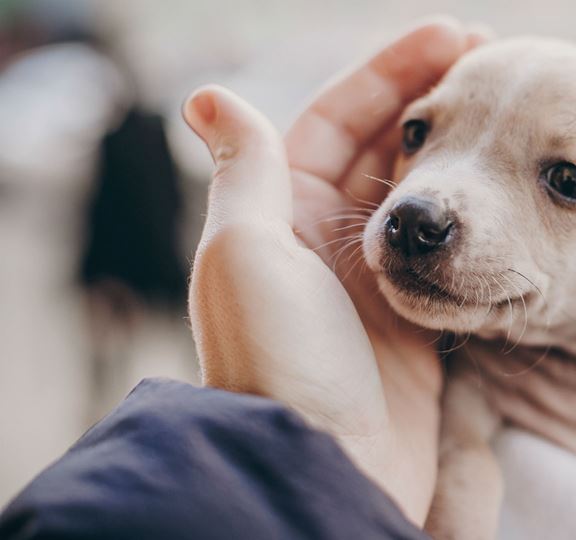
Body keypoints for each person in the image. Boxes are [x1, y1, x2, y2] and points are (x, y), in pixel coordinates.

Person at [0, 18, 487, 539]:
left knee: (120, 344)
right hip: (131, 267)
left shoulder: (127, 131)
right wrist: (297, 446)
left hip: (120, 267)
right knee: (127, 344)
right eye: (415, 134)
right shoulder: (136, 131)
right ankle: (100, 393)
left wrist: (271, 443)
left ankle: (99, 396)